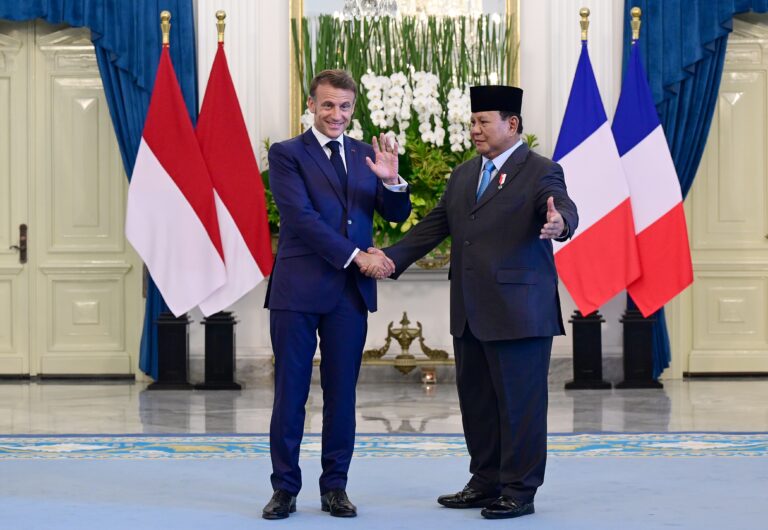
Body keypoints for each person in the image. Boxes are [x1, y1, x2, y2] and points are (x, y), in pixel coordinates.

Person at [370, 85, 577, 520]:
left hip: (520, 312)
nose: (475, 129)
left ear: (512, 124)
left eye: (483, 121)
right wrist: (390, 259)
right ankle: (485, 482)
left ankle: (519, 491)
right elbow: (434, 226)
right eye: (472, 121)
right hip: (470, 310)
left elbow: (559, 207)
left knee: (520, 406)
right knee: (478, 403)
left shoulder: (541, 170)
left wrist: (559, 224)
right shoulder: (465, 174)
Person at [262, 69, 410, 520]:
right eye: (328, 105)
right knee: (291, 393)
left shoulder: (369, 156)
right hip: (298, 289)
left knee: (342, 393)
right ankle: (285, 488)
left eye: (345, 107)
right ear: (311, 105)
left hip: (349, 297)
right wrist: (356, 257)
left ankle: (335, 488)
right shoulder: (287, 154)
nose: (336, 114)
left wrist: (391, 181)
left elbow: (396, 214)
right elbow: (301, 219)